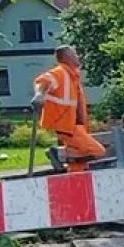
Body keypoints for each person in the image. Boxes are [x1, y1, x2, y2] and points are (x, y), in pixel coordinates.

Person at [32, 45, 106, 173]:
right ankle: (60, 155)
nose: (78, 57)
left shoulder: (72, 77)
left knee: (78, 168)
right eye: (75, 54)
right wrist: (39, 94)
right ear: (67, 57)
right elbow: (43, 81)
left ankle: (70, 168)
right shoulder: (60, 72)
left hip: (75, 126)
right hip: (67, 126)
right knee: (98, 151)